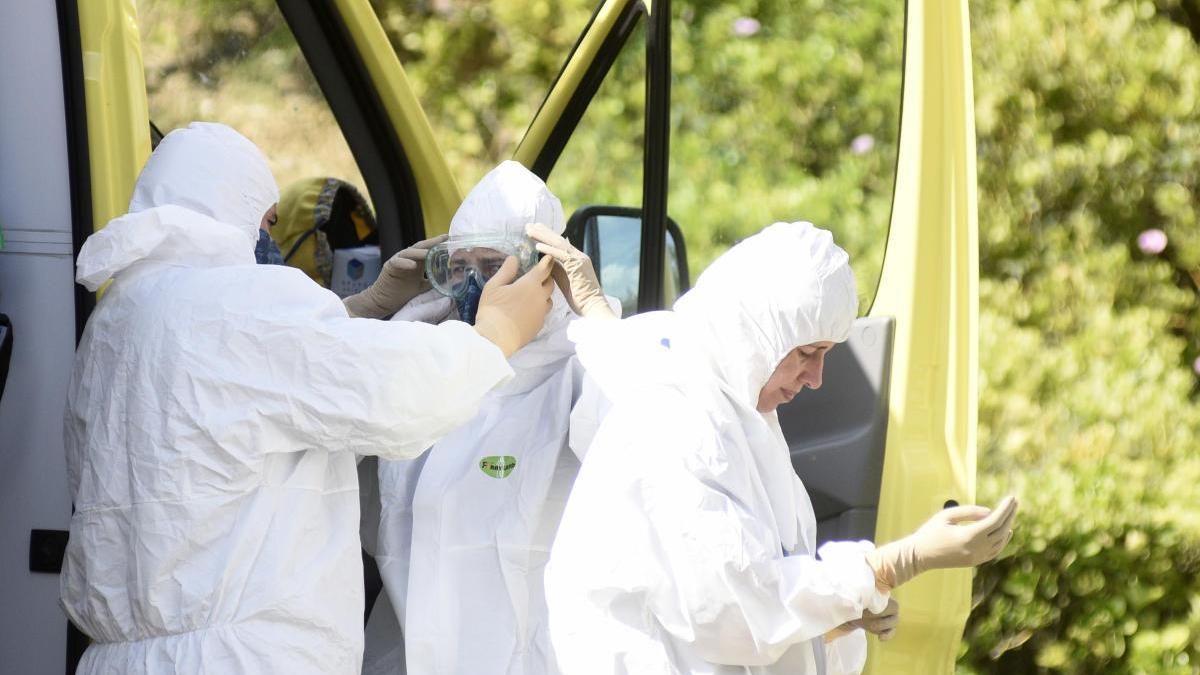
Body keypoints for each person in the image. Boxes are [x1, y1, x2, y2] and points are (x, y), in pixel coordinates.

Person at [60, 122, 555, 674]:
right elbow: (397, 396)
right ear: (230, 204)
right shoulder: (236, 304)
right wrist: (494, 337)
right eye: (267, 219)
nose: (268, 237)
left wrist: (363, 307)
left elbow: (250, 386)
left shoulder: (120, 319)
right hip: (238, 658)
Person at [543, 222, 1017, 674]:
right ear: (753, 333)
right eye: (807, 354)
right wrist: (890, 565)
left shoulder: (736, 412)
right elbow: (731, 607)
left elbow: (762, 589)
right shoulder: (676, 420)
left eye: (825, 355)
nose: (816, 379)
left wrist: (838, 619)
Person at [366, 161, 617, 675]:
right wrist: (367, 308)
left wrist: (600, 318)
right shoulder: (419, 358)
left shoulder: (583, 371)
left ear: (548, 269)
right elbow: (301, 386)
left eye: (496, 264)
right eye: (459, 268)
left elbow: (658, 437)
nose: (476, 285)